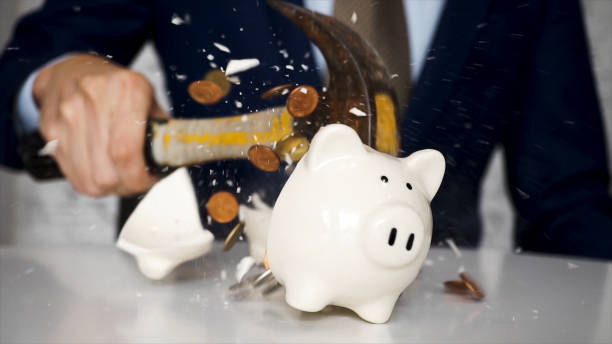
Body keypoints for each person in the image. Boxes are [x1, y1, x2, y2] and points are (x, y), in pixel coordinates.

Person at [1, 0, 611, 259]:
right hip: (191, 317)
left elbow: (570, 202)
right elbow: (17, 79)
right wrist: (56, 84)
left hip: (430, 310)